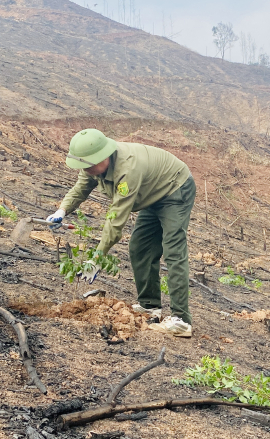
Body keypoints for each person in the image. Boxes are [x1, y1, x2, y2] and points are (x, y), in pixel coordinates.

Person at [47, 129, 196, 337]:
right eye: (84, 166)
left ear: (103, 156)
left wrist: (97, 258)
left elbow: (116, 219)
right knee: (139, 248)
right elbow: (80, 188)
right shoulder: (92, 165)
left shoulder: (127, 170)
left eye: (89, 165)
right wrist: (61, 211)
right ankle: (150, 306)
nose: (87, 170)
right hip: (152, 194)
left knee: (173, 248)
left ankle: (181, 320)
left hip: (174, 188)